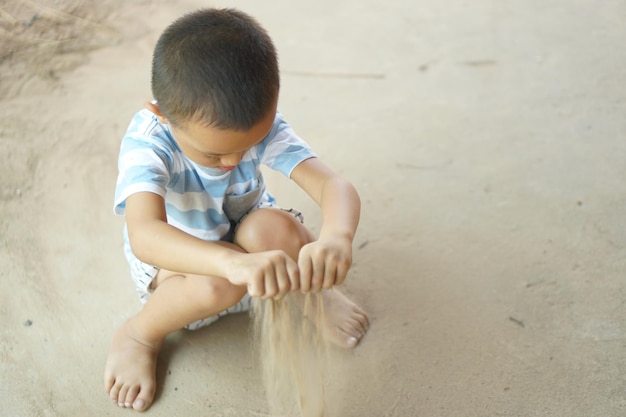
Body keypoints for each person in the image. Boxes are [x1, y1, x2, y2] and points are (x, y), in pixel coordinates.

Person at [104, 7, 369, 412]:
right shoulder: (149, 143)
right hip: (180, 265)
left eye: (249, 145)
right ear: (162, 115)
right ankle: (140, 335)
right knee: (217, 284)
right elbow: (145, 235)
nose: (232, 161)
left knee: (274, 231)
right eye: (213, 153)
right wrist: (229, 265)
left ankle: (315, 295)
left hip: (250, 247)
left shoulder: (251, 122)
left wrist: (336, 237)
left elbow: (333, 185)